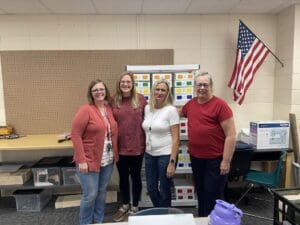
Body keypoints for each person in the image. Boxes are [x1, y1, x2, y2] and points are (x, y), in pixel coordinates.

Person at [180, 71, 236, 217]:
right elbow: (178, 112)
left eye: (205, 84)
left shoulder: (220, 105)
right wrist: (159, 110)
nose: (202, 88)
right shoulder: (191, 104)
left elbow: (231, 135)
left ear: (211, 86)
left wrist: (225, 161)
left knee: (213, 194)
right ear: (195, 87)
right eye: (199, 85)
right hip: (196, 158)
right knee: (201, 191)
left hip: (215, 159)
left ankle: (214, 220)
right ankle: (203, 219)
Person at [71, 79, 119, 225]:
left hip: (107, 159)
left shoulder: (109, 108)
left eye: (101, 89)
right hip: (89, 159)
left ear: (106, 91)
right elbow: (75, 134)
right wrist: (81, 160)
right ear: (91, 94)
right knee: (90, 195)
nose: (99, 92)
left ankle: (98, 221)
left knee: (101, 192)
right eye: (95, 90)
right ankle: (85, 222)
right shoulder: (86, 110)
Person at [112, 72, 147, 221]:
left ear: (132, 84)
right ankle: (125, 204)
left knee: (136, 177)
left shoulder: (140, 99)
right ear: (119, 84)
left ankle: (135, 206)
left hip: (137, 147)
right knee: (123, 178)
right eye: (122, 82)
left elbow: (148, 120)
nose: (125, 84)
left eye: (128, 82)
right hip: (120, 147)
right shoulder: (113, 100)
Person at [142, 79, 180, 207]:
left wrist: (172, 162)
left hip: (166, 154)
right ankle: (160, 212)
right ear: (153, 91)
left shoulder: (171, 111)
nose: (159, 92)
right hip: (149, 154)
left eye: (163, 90)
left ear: (167, 93)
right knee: (151, 188)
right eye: (157, 89)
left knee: (164, 189)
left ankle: (164, 216)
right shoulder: (147, 108)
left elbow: (176, 139)